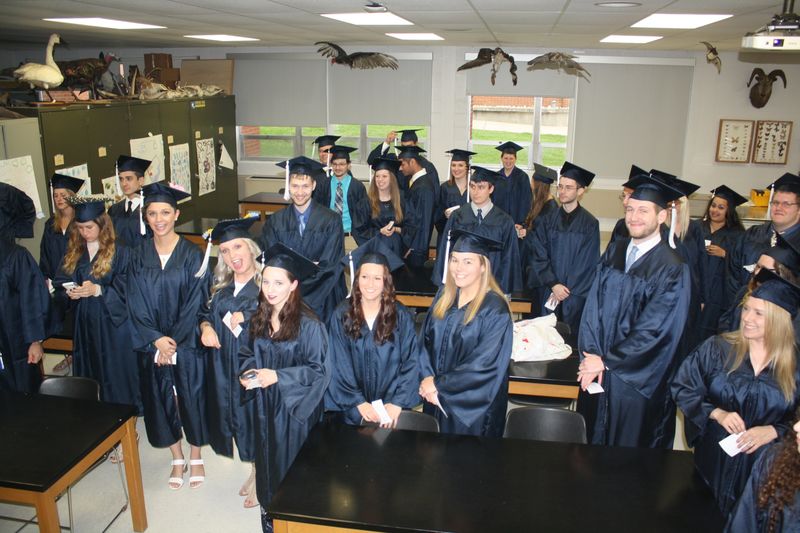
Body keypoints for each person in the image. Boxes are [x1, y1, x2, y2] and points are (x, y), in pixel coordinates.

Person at [672, 269, 800, 516]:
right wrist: (716, 413)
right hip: (714, 461)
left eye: (758, 313)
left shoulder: (795, 366)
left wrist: (773, 430)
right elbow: (683, 386)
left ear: (779, 319)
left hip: (764, 467)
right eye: (746, 309)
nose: (747, 318)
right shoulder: (718, 348)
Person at [577, 175, 690, 448]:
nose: (634, 216)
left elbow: (657, 331)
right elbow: (592, 308)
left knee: (628, 457)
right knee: (590, 444)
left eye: (643, 210)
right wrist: (590, 355)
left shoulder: (672, 267)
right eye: (630, 209)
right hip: (599, 371)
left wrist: (607, 361)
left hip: (636, 381)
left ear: (662, 215)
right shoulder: (615, 251)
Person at [238, 244, 330, 533]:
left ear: (293, 285)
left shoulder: (310, 325)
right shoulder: (259, 318)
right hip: (264, 409)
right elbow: (246, 355)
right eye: (266, 281)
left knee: (292, 474)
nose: (270, 289)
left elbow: (320, 371)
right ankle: (269, 521)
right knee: (266, 468)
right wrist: (247, 373)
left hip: (293, 415)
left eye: (279, 282)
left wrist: (278, 376)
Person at [127, 181, 209, 490]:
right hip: (152, 344)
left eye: (165, 212)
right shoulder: (137, 255)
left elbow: (197, 302)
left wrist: (171, 341)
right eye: (152, 213)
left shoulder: (192, 254)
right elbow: (134, 300)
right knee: (161, 399)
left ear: (176, 214)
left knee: (191, 396)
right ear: (145, 217)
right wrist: (155, 340)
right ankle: (177, 455)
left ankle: (196, 453)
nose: (159, 219)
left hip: (185, 343)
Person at [419, 230, 513, 437]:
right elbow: (424, 342)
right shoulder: (444, 296)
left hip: (471, 409)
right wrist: (427, 379)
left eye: (468, 262)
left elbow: (484, 364)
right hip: (434, 399)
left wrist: (438, 384)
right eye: (454, 260)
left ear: (482, 267)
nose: (458, 268)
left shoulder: (495, 309)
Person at [55, 196, 141, 411]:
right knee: (91, 366)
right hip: (86, 321)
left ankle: (123, 415)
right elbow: (60, 279)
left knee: (115, 370)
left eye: (89, 227)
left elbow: (131, 285)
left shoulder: (121, 249)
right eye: (81, 228)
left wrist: (100, 289)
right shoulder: (76, 249)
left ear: (102, 224)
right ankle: (96, 413)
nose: (85, 233)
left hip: (113, 322)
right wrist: (70, 291)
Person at [198, 217, 261, 507]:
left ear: (250, 248)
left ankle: (262, 474)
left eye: (237, 247)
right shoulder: (219, 284)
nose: (232, 256)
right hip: (223, 369)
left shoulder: (267, 283)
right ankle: (254, 469)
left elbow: (282, 323)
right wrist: (206, 328)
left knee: (255, 423)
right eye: (225, 251)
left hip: (252, 368)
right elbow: (203, 314)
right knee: (235, 422)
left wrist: (249, 318)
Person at [325, 239, 421, 426]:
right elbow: (338, 362)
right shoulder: (342, 314)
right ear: (357, 279)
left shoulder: (400, 315)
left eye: (378, 278)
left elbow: (412, 360)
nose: (370, 284)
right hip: (354, 409)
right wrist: (358, 402)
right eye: (365, 277)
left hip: (392, 410)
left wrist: (397, 402)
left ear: (386, 282)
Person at [260, 156, 346, 322]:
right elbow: (274, 262)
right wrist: (308, 267)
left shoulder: (331, 220)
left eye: (305, 186)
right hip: (286, 296)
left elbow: (330, 265)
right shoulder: (276, 221)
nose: (300, 192)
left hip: (323, 296)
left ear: (313, 186)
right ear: (288, 187)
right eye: (295, 186)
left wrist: (299, 289)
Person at [529, 161, 599, 332]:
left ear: (580, 191)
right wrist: (554, 284)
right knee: (544, 336)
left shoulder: (590, 224)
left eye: (568, 187)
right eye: (560, 186)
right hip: (547, 290)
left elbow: (587, 264)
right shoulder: (546, 220)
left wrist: (564, 290)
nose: (562, 191)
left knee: (570, 340)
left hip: (574, 295)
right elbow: (538, 254)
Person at [433, 166, 522, 294]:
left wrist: (502, 292)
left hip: (491, 288)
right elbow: (446, 251)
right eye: (472, 186)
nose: (475, 192)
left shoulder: (504, 221)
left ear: (491, 189)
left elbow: (509, 258)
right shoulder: (458, 216)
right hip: (462, 286)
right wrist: (446, 285)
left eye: (481, 187)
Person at [726, 172, 800, 311]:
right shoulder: (751, 235)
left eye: (786, 204)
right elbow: (731, 274)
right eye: (775, 203)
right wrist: (738, 309)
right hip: (742, 311)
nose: (779, 208)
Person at [0, 183, 48, 393]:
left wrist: (35, 341)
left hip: (18, 343)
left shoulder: (16, 256)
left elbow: (33, 300)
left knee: (24, 394)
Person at [726, 411, 800, 532]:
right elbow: (744, 523)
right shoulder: (775, 461)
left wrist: (776, 430)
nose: (796, 427)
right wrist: (716, 413)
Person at [696, 185, 747, 343]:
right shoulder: (696, 227)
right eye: (713, 205)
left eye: (721, 207)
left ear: (729, 211)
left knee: (712, 334)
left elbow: (743, 264)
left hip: (720, 294)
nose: (715, 210)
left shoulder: (738, 235)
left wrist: (725, 254)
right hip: (697, 288)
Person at [41, 173, 83, 350]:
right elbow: (44, 254)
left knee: (77, 324)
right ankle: (67, 354)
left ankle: (78, 354)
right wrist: (46, 278)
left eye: (63, 195)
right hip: (57, 285)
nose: (59, 199)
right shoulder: (51, 224)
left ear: (72, 196)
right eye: (56, 195)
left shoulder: (82, 222)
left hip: (78, 282)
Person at [312, 145, 370, 245]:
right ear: (331, 165)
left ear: (349, 165)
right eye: (335, 164)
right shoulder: (323, 185)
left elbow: (364, 215)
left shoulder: (357, 186)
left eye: (342, 164)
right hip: (328, 237)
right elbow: (317, 210)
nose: (338, 167)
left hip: (351, 237)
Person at [354, 156, 405, 256]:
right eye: (377, 176)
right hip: (375, 251)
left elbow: (412, 226)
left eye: (384, 176)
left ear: (392, 178)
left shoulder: (402, 199)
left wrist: (396, 229)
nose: (380, 179)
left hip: (398, 251)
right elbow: (359, 231)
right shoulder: (365, 203)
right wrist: (379, 231)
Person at [521, 163, 557, 300]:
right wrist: (525, 228)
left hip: (539, 267)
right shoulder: (541, 204)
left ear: (537, 184)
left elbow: (544, 239)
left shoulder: (551, 209)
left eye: (532, 181)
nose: (531, 184)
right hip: (533, 262)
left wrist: (527, 234)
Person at [397, 145, 437, 269]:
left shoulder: (424, 187)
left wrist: (413, 247)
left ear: (412, 162)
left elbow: (424, 221)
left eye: (403, 164)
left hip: (416, 250)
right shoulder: (417, 183)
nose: (400, 168)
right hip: (413, 246)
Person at [367, 129, 439, 195]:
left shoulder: (427, 166)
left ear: (416, 143)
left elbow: (435, 193)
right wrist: (387, 142)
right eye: (403, 146)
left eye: (409, 146)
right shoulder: (395, 161)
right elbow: (372, 161)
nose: (406, 149)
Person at [107, 154, 151, 248]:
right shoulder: (114, 210)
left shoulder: (150, 209)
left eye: (129, 179)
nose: (124, 183)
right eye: (121, 179)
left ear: (141, 180)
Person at [491, 141, 532, 229]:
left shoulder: (522, 177)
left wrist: (521, 222)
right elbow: (492, 201)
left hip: (516, 223)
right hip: (498, 222)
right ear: (501, 158)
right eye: (506, 158)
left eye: (511, 158)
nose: (508, 161)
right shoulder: (495, 177)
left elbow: (526, 201)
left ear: (515, 159)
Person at [435, 149, 475, 237]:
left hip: (469, 236)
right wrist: (444, 214)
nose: (456, 169)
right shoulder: (444, 188)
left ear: (467, 167)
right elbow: (436, 213)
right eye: (453, 165)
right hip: (448, 235)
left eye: (460, 165)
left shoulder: (474, 188)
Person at [606, 164, 646, 248]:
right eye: (624, 196)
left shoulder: (662, 233)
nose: (624, 202)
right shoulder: (621, 225)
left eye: (630, 195)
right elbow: (608, 257)